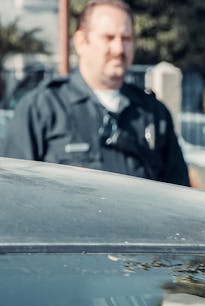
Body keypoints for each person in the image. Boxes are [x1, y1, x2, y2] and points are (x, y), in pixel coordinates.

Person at [3, 0, 189, 186]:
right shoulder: (42, 109)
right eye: (108, 38)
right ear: (81, 42)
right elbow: (14, 192)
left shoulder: (153, 114)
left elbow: (178, 195)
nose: (118, 49)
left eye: (126, 39)